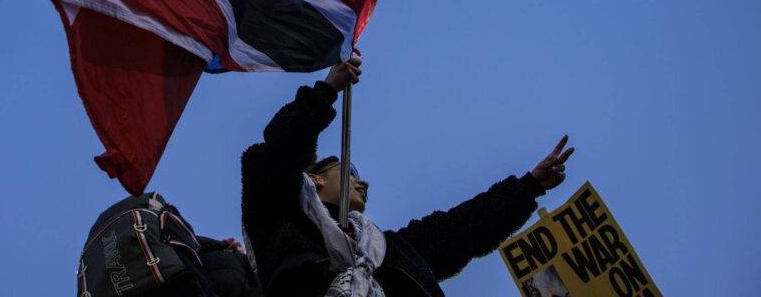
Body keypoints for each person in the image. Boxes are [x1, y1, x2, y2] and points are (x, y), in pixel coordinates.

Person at [241, 54, 574, 297]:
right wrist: (326, 91)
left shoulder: (387, 249)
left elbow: (462, 227)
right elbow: (280, 152)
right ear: (315, 178)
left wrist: (528, 187)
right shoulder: (279, 219)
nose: (363, 182)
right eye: (349, 171)